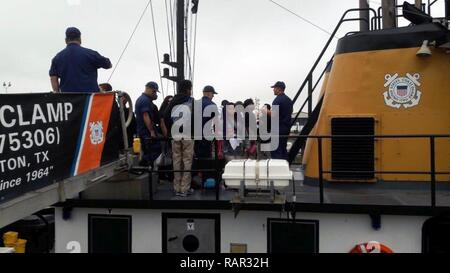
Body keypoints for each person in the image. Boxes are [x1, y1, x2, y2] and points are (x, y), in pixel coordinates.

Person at [49, 27, 112, 93]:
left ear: (66, 40)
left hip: (68, 99)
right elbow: (108, 65)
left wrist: (57, 93)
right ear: (80, 39)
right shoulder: (91, 54)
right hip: (89, 99)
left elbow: (53, 77)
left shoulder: (57, 58)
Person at [163, 80, 195, 197]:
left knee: (176, 160)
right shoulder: (191, 101)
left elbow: (165, 116)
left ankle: (177, 188)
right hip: (188, 134)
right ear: (187, 89)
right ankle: (184, 189)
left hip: (175, 134)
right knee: (187, 161)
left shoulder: (172, 102)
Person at [135, 82, 162, 166]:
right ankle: (143, 164)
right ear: (148, 89)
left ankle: (146, 166)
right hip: (145, 132)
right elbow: (145, 115)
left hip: (143, 131)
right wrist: (152, 131)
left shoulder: (144, 100)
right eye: (154, 92)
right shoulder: (144, 100)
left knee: (149, 150)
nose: (155, 94)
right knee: (156, 148)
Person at [265, 81, 293, 160]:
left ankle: (277, 170)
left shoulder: (277, 100)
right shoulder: (289, 100)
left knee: (276, 151)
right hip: (286, 129)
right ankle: (285, 168)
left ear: (279, 89)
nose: (273, 90)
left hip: (277, 130)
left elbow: (274, 115)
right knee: (283, 150)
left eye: (274, 88)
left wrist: (266, 111)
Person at [194, 85, 218, 159]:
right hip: (206, 135)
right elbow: (216, 122)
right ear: (208, 93)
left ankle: (198, 170)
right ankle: (205, 170)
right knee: (206, 157)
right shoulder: (212, 105)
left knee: (197, 156)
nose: (213, 96)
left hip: (195, 134)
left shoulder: (195, 103)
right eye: (212, 93)